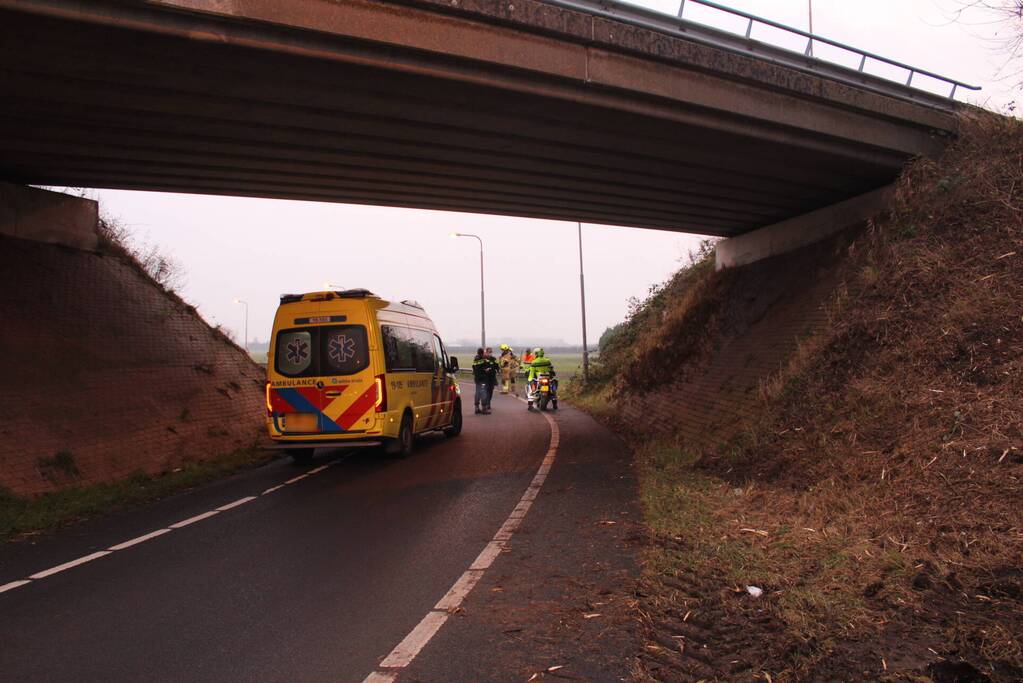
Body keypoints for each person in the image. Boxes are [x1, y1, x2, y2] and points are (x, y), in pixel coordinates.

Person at [472, 347, 489, 414]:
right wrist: (487, 370)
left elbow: (473, 367)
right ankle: (484, 409)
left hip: (477, 379)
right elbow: (485, 369)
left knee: (477, 392)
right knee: (483, 392)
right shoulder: (483, 360)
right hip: (482, 379)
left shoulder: (475, 359)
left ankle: (476, 408)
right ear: (482, 353)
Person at [482, 346, 499, 412]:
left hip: (492, 378)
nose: (490, 353)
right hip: (485, 378)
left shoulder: (493, 359)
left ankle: (488, 402)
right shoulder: (483, 359)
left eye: (491, 352)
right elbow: (479, 367)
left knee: (490, 391)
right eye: (489, 352)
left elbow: (496, 366)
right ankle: (486, 404)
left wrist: (497, 370)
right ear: (486, 352)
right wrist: (484, 370)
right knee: (485, 391)